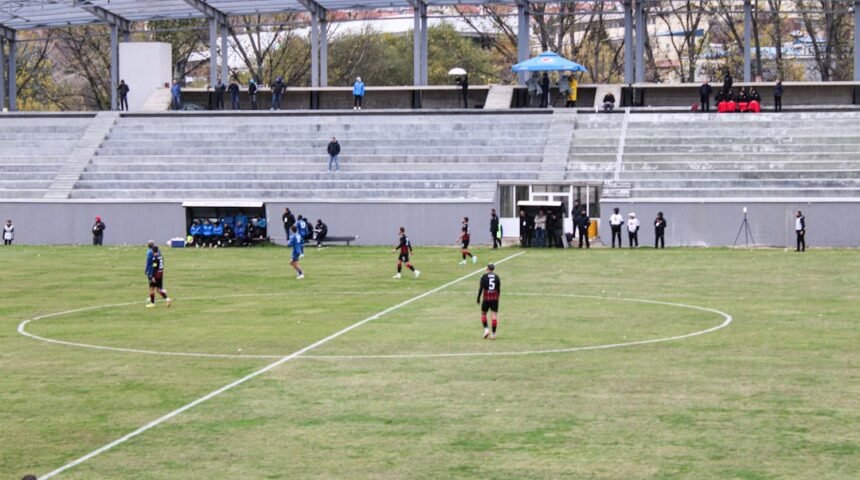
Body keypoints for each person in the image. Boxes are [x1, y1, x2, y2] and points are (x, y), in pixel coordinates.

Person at [477, 263, 501, 340]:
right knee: (494, 316)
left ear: (487, 268)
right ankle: (493, 334)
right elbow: (498, 289)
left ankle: (486, 330)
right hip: (494, 298)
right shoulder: (497, 277)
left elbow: (481, 288)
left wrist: (478, 298)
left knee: (483, 314)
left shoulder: (483, 276)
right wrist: (498, 297)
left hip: (486, 298)